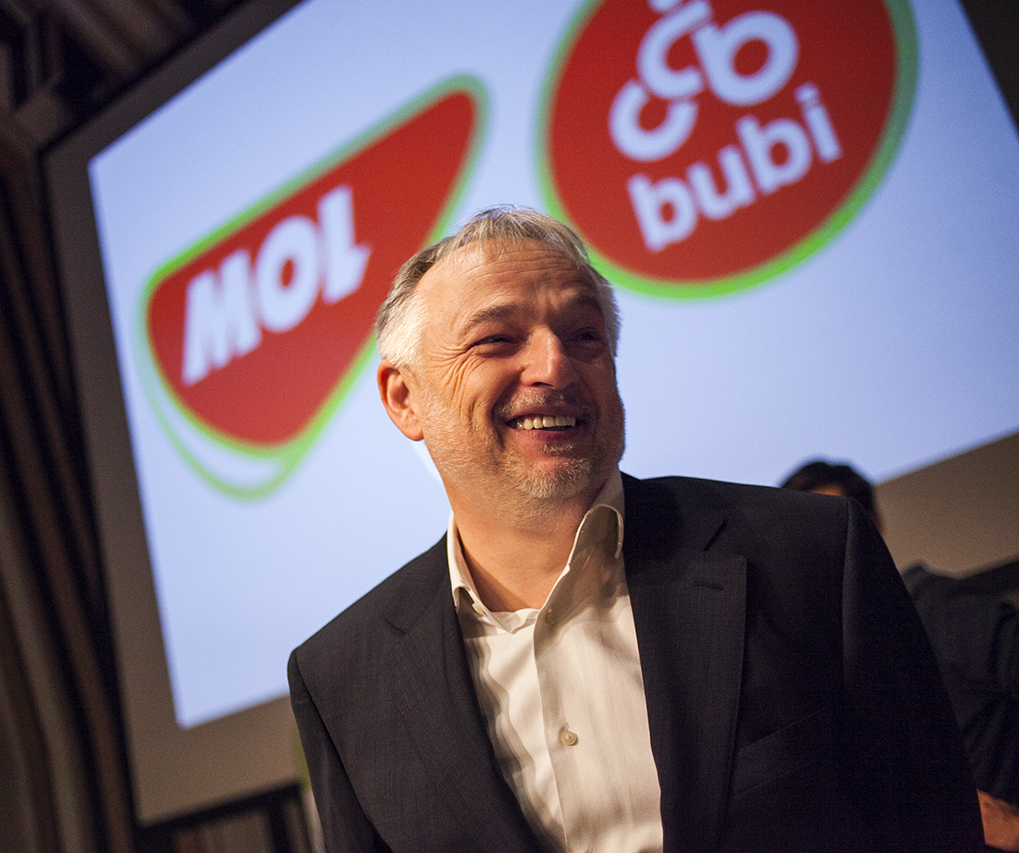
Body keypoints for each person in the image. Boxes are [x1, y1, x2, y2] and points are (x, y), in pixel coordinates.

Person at [287, 207, 983, 852]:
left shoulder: (812, 554)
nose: (555, 365)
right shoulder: (343, 679)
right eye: (497, 339)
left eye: (584, 336)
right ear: (404, 398)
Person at [781, 458, 1019, 851]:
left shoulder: (933, 605)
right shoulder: (818, 660)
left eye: (826, 529)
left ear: (870, 528)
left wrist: (1011, 828)